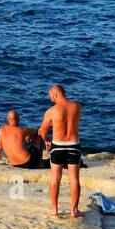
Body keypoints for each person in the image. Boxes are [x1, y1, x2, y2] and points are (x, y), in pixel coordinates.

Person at [38, 84, 85, 218]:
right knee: (74, 178)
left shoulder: (51, 111)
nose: (50, 98)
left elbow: (42, 130)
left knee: (55, 177)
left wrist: (46, 140)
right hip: (74, 145)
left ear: (55, 94)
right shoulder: (77, 106)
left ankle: (54, 209)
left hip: (57, 145)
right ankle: (74, 211)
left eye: (50, 96)